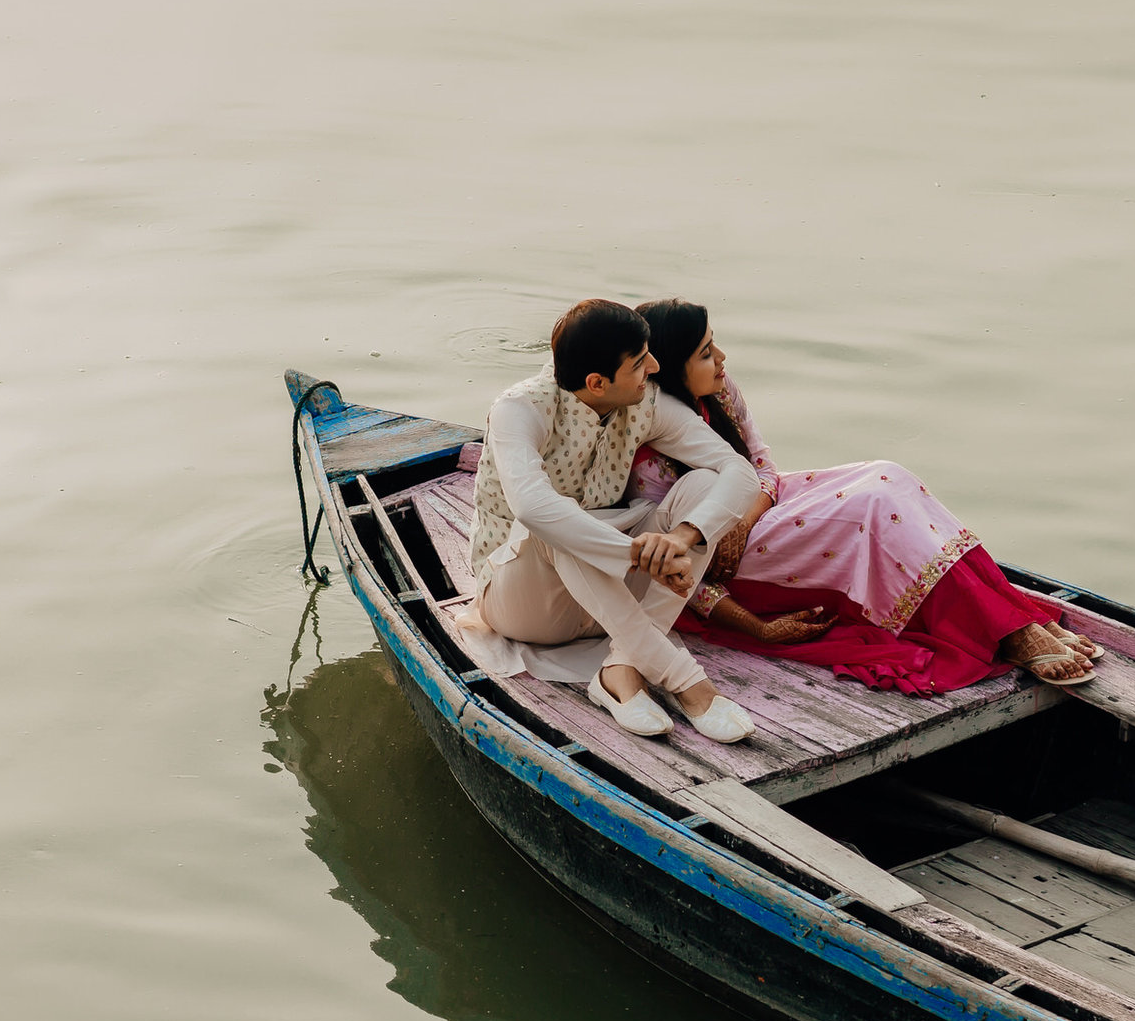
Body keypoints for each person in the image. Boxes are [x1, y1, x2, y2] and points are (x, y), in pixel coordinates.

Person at [626, 299, 1098, 695]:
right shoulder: (645, 456)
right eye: (707, 353)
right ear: (670, 367)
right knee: (870, 510)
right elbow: (673, 570)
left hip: (759, 514)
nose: (723, 358)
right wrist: (753, 625)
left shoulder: (720, 392)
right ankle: (1009, 631)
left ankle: (1007, 616)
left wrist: (745, 517)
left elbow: (763, 466)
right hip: (730, 563)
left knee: (888, 476)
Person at [469, 298, 764, 742]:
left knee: (703, 484)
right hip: (525, 603)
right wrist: (635, 556)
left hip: (609, 597)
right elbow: (532, 508)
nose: (656, 366)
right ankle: (687, 682)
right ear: (597, 382)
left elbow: (739, 471)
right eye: (641, 361)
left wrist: (682, 539)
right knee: (552, 517)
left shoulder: (645, 402)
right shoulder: (520, 408)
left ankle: (620, 670)